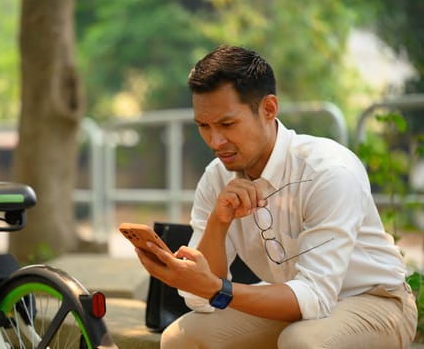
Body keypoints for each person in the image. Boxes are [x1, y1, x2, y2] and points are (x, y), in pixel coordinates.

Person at [134, 45, 417, 348]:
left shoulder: (328, 170)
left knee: (301, 342)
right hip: (292, 298)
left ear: (268, 109)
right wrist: (218, 222)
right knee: (181, 339)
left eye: (227, 124)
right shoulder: (217, 177)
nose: (215, 141)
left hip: (374, 301)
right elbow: (199, 299)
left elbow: (315, 296)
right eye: (204, 126)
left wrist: (219, 290)